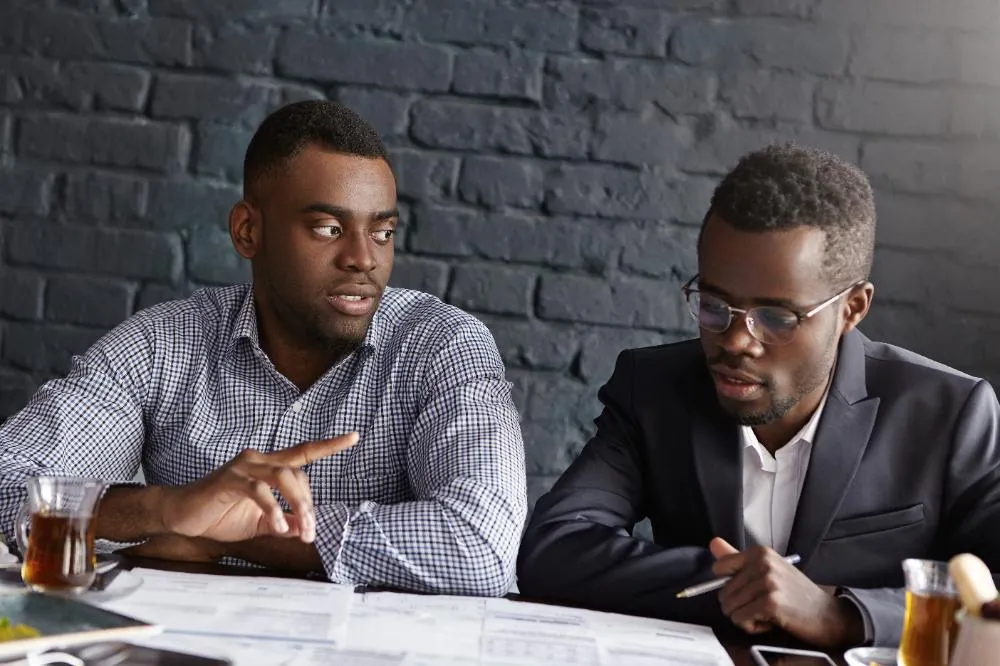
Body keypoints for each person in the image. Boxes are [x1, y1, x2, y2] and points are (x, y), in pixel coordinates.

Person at [0, 101, 527, 596]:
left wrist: (239, 535)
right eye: (328, 227)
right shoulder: (164, 344)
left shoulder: (441, 346)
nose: (364, 259)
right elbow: (10, 479)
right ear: (248, 231)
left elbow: (482, 546)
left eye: (382, 232)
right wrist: (165, 509)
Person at [516, 143, 1000, 647]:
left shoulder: (949, 415)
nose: (735, 340)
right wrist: (737, 586)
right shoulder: (654, 389)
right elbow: (555, 547)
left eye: (776, 317)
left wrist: (841, 614)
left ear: (853, 308)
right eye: (713, 304)